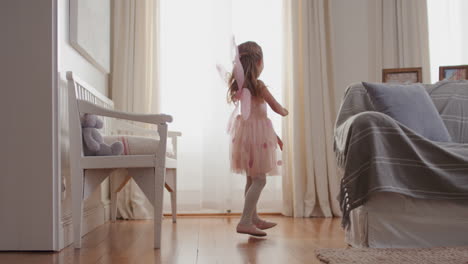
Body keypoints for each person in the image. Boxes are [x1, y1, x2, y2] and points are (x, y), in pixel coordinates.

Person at [227, 41, 288, 236]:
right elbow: (278, 110)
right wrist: (286, 110)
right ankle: (245, 221)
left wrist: (276, 137)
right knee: (260, 180)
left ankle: (253, 218)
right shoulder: (259, 87)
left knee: (251, 179)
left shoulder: (242, 87)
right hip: (256, 140)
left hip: (246, 139)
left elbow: (256, 118)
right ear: (260, 62)